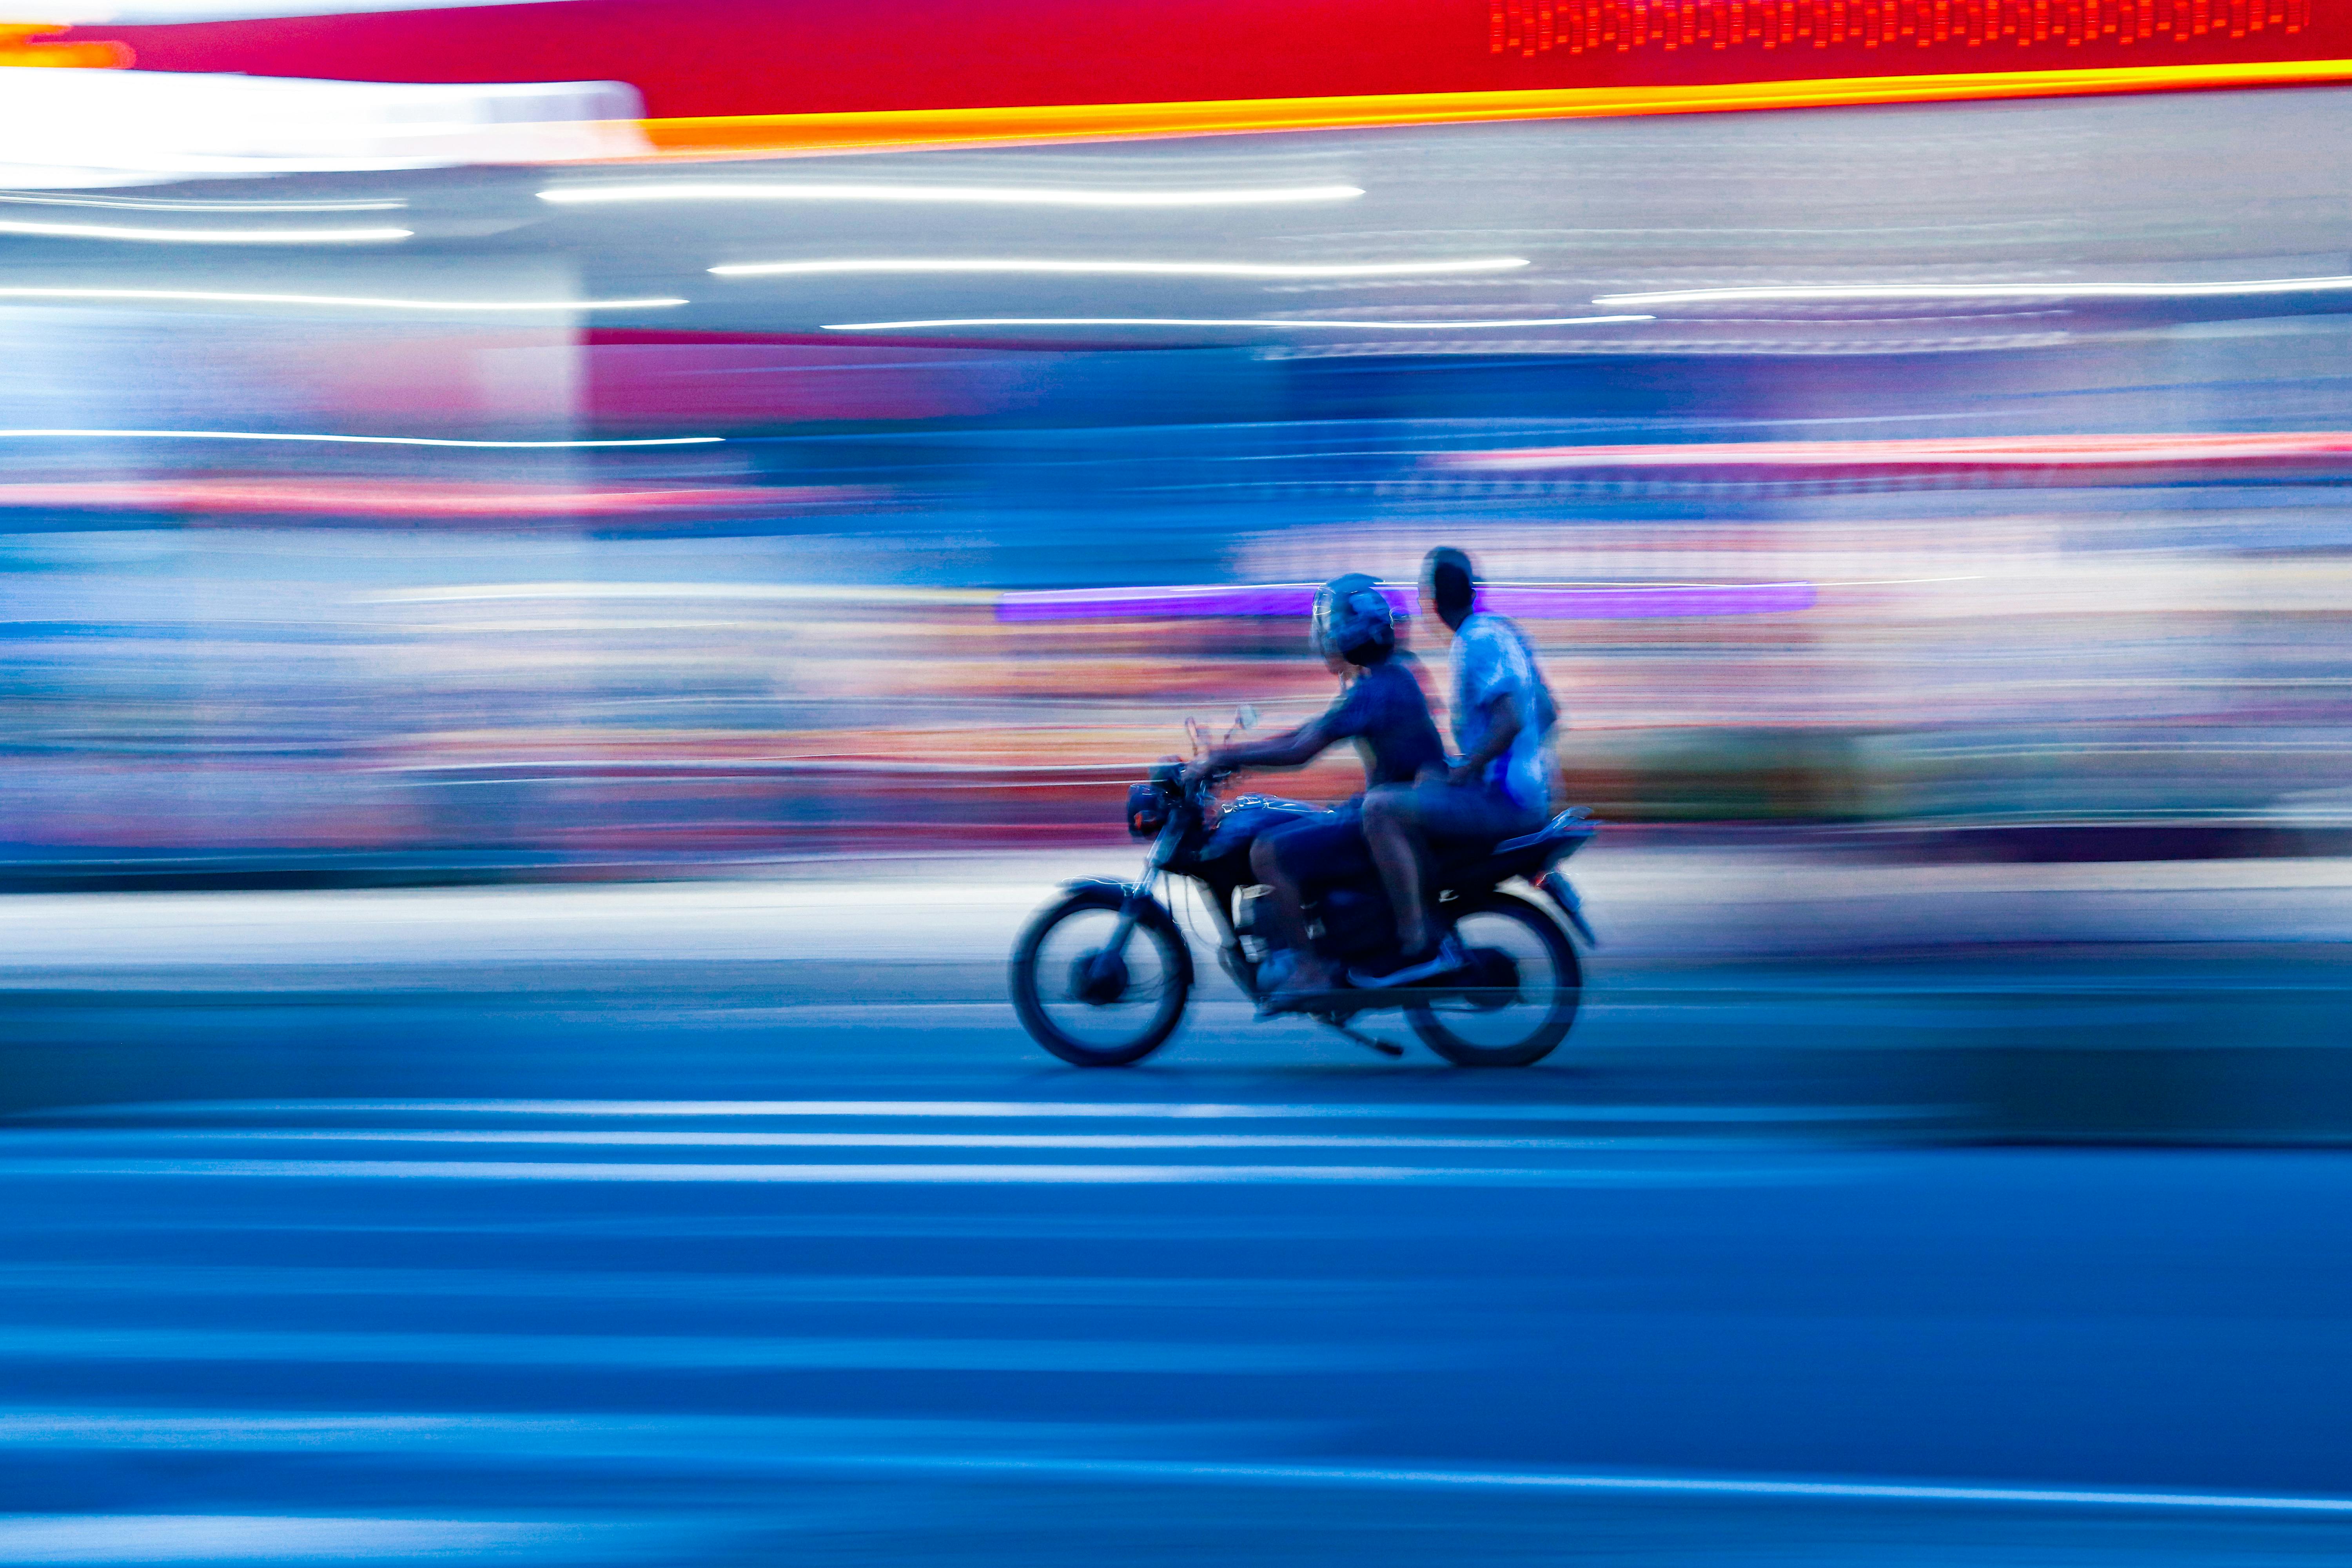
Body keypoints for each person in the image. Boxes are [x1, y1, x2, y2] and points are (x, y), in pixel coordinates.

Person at [1189, 574, 1444, 1003]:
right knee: (1289, 822)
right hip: (1392, 811)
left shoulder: (1378, 687)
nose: (1325, 636)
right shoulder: (1386, 677)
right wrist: (1232, 755)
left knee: (1268, 851)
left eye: (1331, 626)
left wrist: (1226, 758)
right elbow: (1305, 733)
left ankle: (1310, 970)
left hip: (1393, 817)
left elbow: (1301, 749)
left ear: (1348, 632)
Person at [1353, 546, 1559, 988]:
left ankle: (1416, 942)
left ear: (1429, 602)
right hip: (1526, 793)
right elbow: (1548, 712)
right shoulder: (1504, 633)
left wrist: (1468, 771)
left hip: (1504, 801)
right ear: (1475, 590)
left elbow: (1510, 719)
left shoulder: (1474, 641)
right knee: (1422, 788)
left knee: (1380, 810)